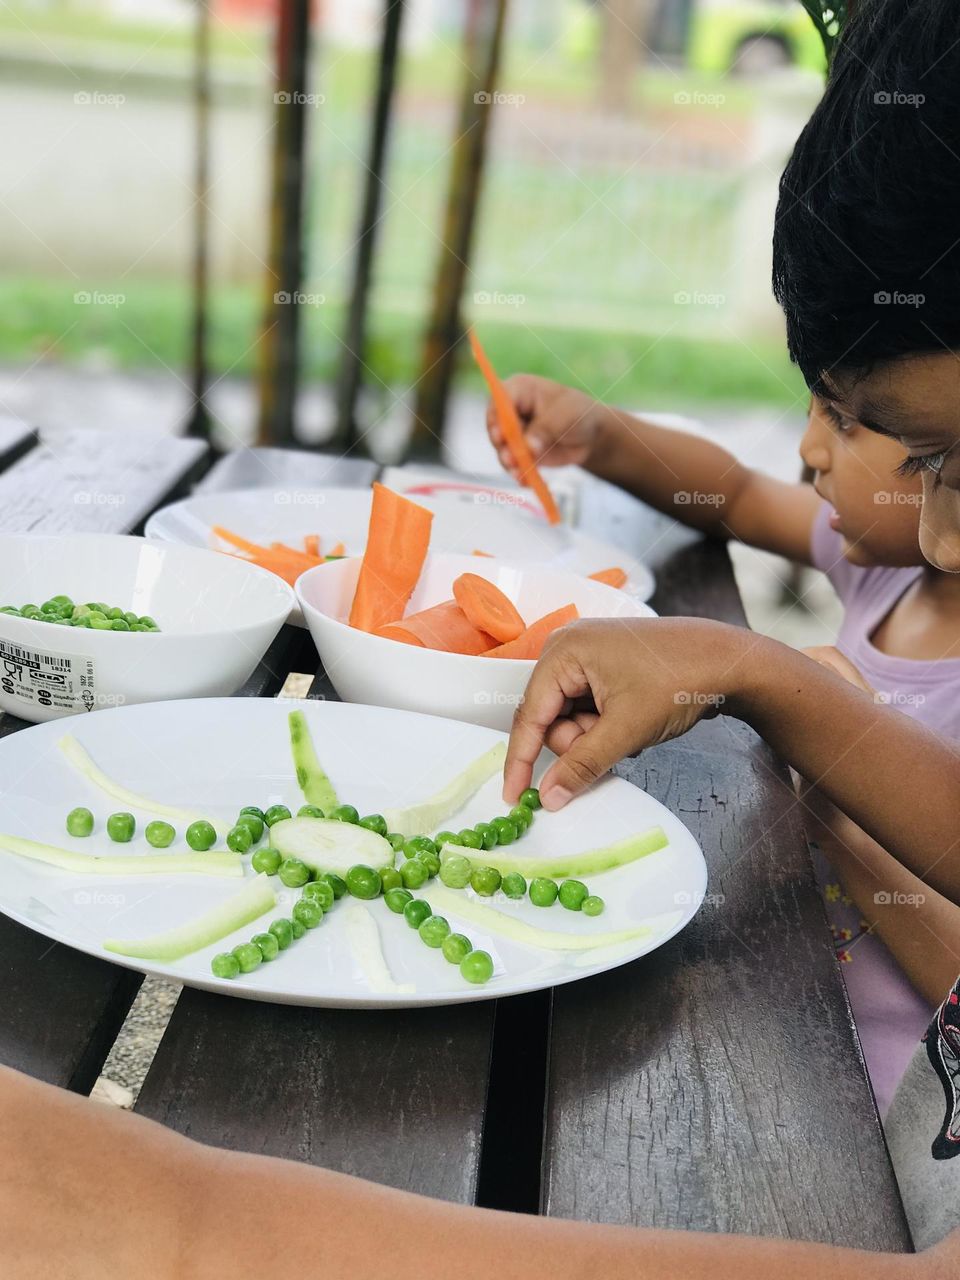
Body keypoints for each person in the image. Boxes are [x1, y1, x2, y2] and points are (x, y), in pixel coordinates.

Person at [3, 0, 960, 1273]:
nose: (937, 534)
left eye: (934, 452)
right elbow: (741, 499)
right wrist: (750, 650)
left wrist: (186, 1223)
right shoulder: (883, 548)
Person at [485, 383, 960, 1112]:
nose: (809, 450)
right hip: (772, 1005)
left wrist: (834, 770)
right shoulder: (893, 568)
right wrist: (602, 436)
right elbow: (736, 494)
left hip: (881, 1107)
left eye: (849, 422)